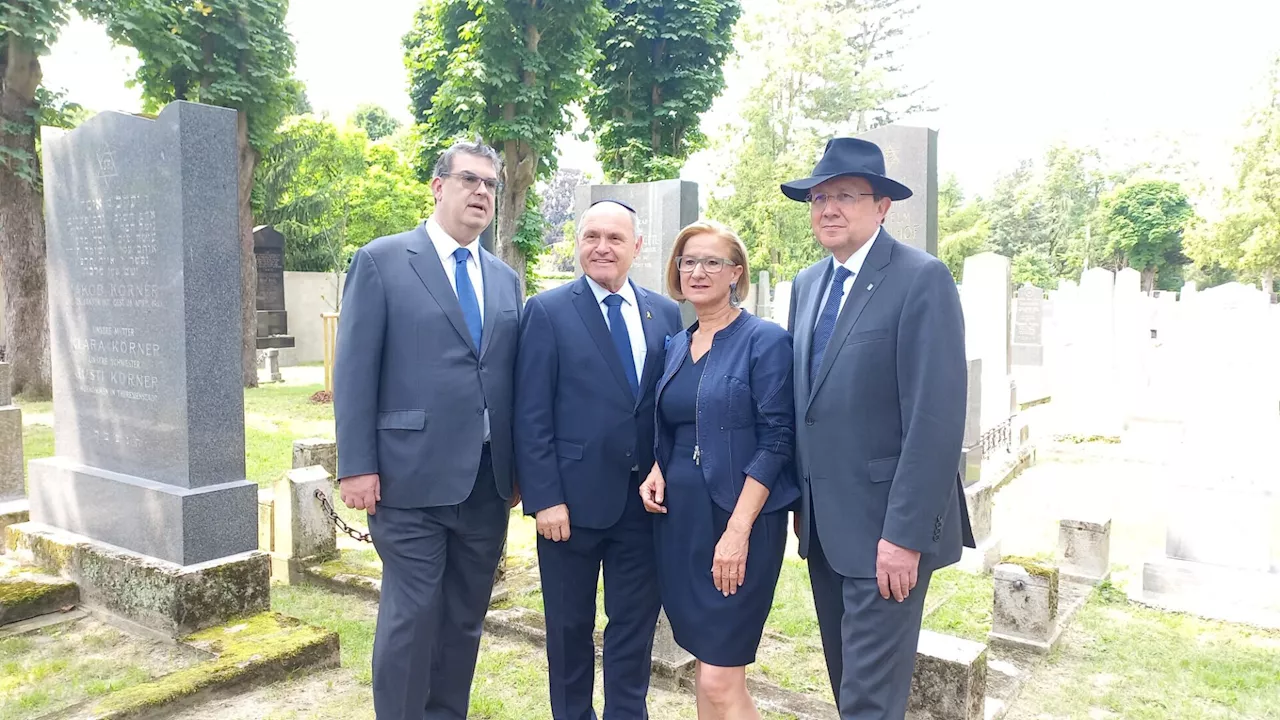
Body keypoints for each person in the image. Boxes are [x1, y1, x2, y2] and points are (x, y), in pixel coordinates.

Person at [782, 137, 974, 719]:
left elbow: (935, 418)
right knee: (848, 688)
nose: (828, 209)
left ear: (882, 205)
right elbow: (809, 405)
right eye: (818, 198)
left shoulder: (921, 278)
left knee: (870, 702)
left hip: (887, 534)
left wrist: (906, 536)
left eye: (845, 196)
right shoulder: (809, 284)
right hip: (823, 531)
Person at [333, 139, 523, 720]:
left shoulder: (504, 278)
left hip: (486, 486)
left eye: (491, 184)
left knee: (464, 620)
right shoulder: (382, 260)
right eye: (470, 180)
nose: (482, 193)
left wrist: (518, 471)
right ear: (439, 187)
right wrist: (357, 465)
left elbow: (506, 376)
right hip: (406, 480)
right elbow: (355, 369)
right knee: (411, 618)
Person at [514, 200, 683, 720]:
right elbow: (531, 412)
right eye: (591, 237)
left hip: (643, 504)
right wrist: (545, 499)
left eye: (614, 238)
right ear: (578, 244)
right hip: (570, 506)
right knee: (568, 627)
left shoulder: (666, 313)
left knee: (633, 627)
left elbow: (668, 406)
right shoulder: (547, 310)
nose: (601, 247)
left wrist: (665, 468)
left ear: (636, 246)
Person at [640, 220, 797, 720]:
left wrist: (737, 530)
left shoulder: (764, 341)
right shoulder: (674, 346)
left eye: (712, 262)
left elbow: (777, 439)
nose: (698, 271)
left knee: (720, 676)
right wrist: (657, 467)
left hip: (738, 519)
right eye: (689, 261)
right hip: (679, 521)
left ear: (736, 273)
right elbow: (669, 424)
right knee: (705, 670)